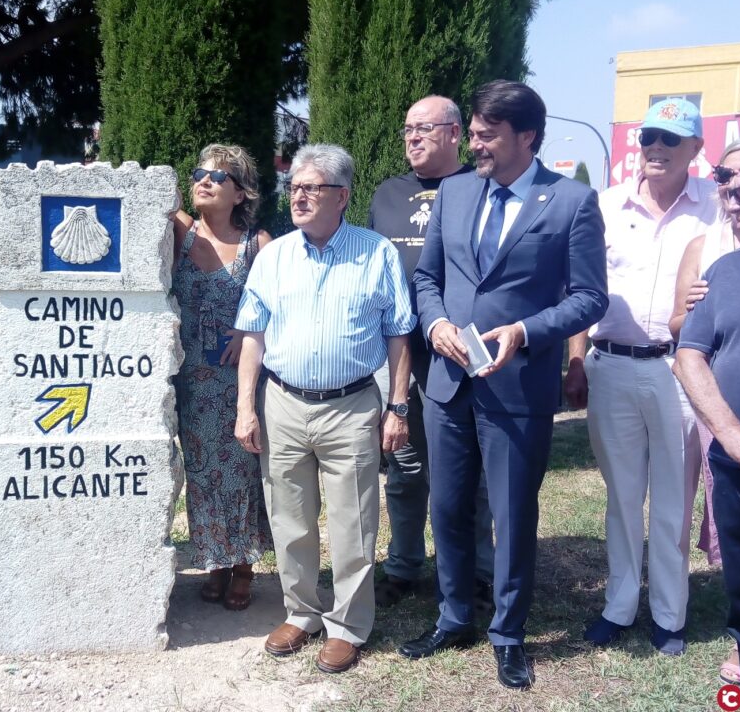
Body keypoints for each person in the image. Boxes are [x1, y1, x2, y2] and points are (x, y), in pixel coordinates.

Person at [403, 80, 608, 689]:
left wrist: (524, 331)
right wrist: (435, 323)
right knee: (447, 507)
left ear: (527, 136)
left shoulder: (571, 202)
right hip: (448, 384)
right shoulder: (456, 190)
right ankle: (453, 617)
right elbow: (428, 278)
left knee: (513, 515)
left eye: (487, 135)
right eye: (472, 133)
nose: (475, 145)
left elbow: (590, 297)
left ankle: (509, 634)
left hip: (518, 387)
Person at [234, 143, 414, 674]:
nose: (299, 197)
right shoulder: (273, 257)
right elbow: (253, 335)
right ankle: (302, 612)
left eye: (312, 188)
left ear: (342, 196)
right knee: (289, 518)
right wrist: (246, 408)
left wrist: (398, 407)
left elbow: (399, 334)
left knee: (353, 522)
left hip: (351, 406)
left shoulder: (376, 253)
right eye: (294, 188)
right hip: (283, 404)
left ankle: (348, 626)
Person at [564, 99, 722, 656]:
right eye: (649, 136)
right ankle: (620, 604)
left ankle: (670, 615)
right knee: (623, 495)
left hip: (682, 369)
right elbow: (580, 289)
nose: (656, 147)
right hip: (610, 365)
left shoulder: (716, 207)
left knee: (675, 499)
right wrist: (576, 360)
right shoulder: (606, 205)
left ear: (695, 149)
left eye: (670, 139)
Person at [368, 95, 494, 608]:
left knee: (472, 471)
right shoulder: (387, 194)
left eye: (423, 128)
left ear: (455, 133)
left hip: (461, 353)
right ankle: (403, 564)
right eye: (407, 129)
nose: (412, 137)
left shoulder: (481, 187)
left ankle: (477, 571)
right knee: (404, 465)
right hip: (400, 353)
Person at [170, 143, 272, 610]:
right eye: (199, 174)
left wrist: (246, 331)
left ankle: (244, 566)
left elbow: (279, 306)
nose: (204, 182)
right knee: (201, 472)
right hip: (192, 382)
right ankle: (215, 561)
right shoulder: (180, 232)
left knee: (242, 472)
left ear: (241, 193)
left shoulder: (258, 244)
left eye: (218, 177)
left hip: (240, 382)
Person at [668, 137, 740, 683]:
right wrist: (733, 434)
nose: (734, 201)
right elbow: (688, 354)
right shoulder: (723, 270)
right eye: (728, 189)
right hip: (734, 450)